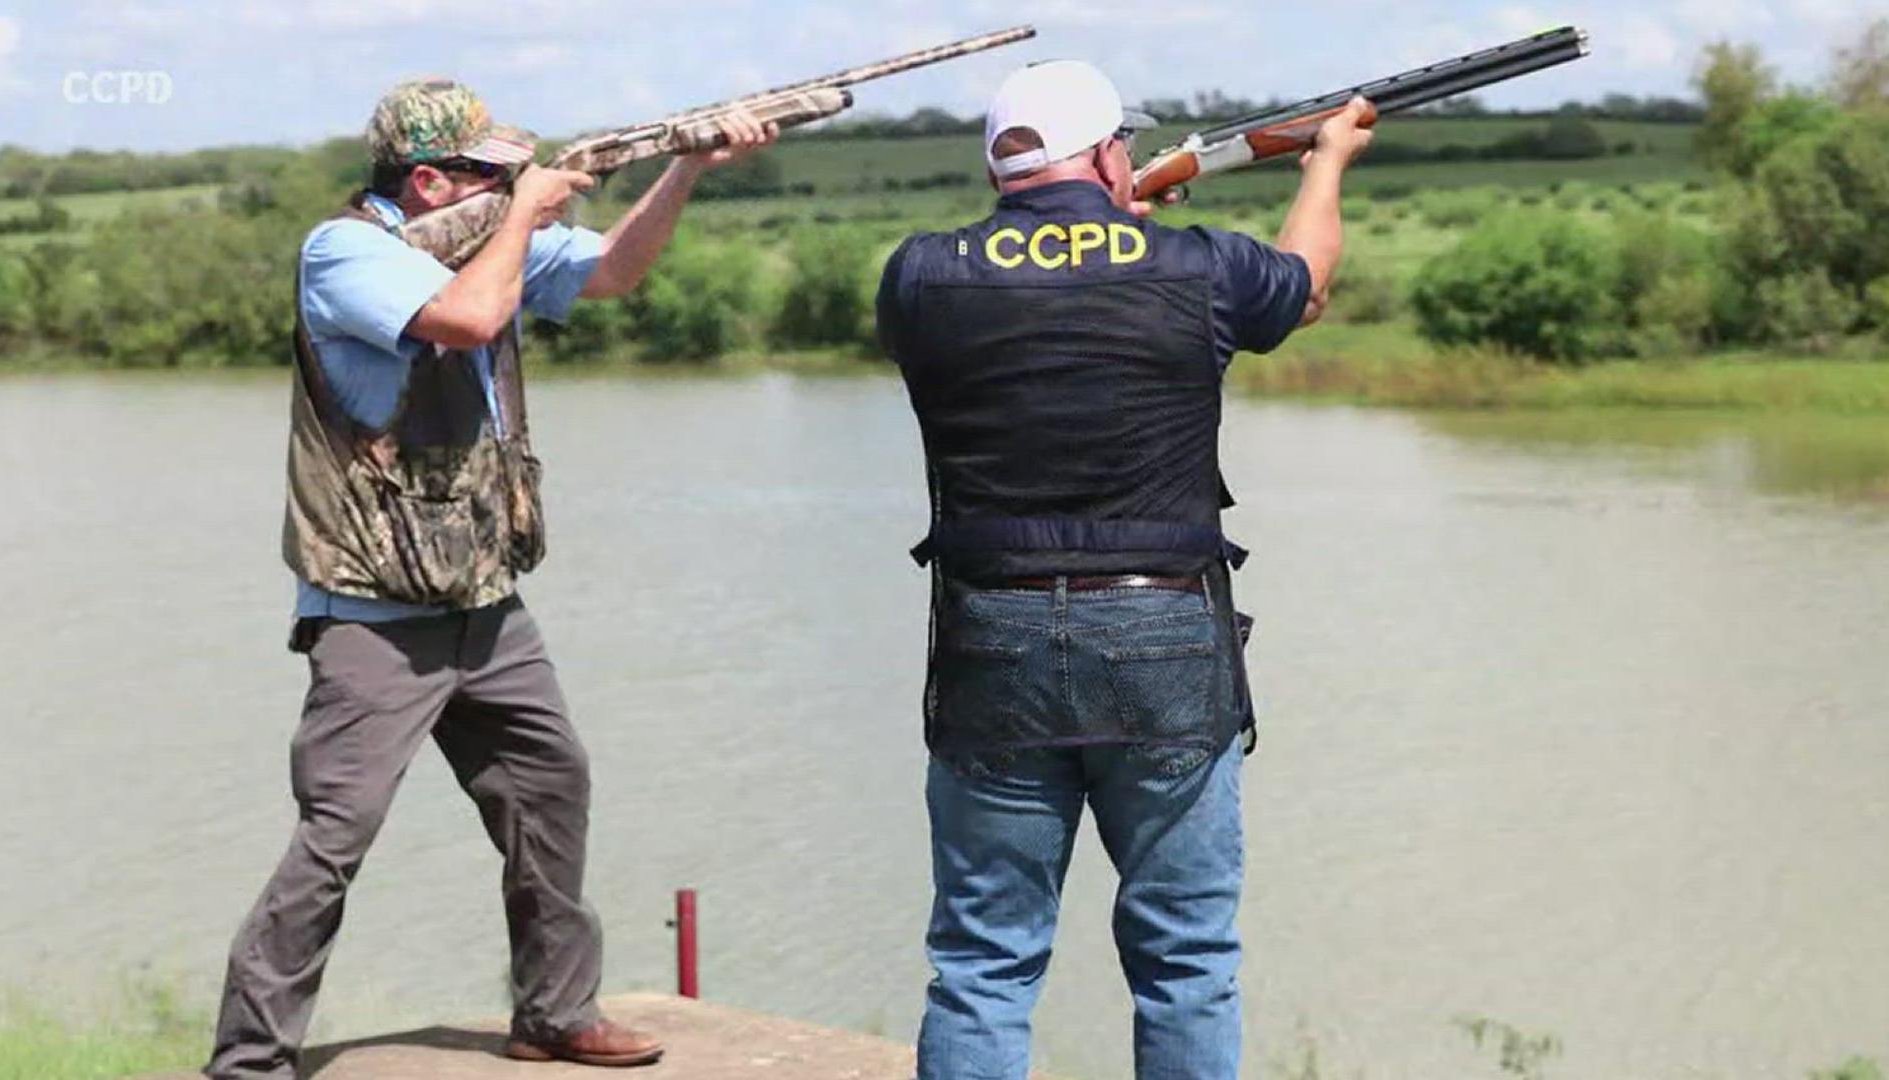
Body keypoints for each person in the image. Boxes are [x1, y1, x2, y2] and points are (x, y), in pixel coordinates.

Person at [205, 78, 775, 1078]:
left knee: (552, 785)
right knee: (338, 837)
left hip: (483, 600)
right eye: (492, 171)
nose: (519, 183)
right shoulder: (345, 253)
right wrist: (522, 214)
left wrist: (688, 165)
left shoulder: (483, 240)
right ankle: (248, 1061)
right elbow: (467, 321)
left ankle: (554, 1013)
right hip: (374, 615)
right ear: (430, 181)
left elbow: (614, 274)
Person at [875, 60, 1369, 1080]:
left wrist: (1105, 209)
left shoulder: (920, 275)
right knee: (1186, 962)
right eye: (1125, 150)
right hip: (1164, 640)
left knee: (981, 964)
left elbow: (1043, 257)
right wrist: (1324, 163)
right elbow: (1305, 288)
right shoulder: (1196, 268)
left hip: (992, 643)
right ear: (1108, 154)